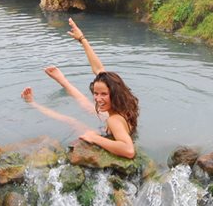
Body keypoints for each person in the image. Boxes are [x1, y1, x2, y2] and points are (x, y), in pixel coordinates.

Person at [21, 18, 139, 159]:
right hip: (113, 129)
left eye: (103, 94)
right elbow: (99, 69)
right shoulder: (124, 103)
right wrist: (82, 39)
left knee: (71, 121)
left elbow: (129, 150)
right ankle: (63, 81)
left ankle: (32, 103)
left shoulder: (114, 120)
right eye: (95, 93)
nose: (98, 98)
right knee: (87, 105)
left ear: (114, 93)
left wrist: (95, 138)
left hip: (107, 133)